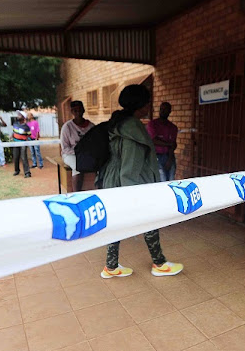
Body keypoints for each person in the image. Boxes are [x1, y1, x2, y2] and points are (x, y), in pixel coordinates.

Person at [99, 85, 183, 279]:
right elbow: (131, 164)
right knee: (150, 218)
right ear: (140, 104)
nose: (149, 105)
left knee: (116, 223)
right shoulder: (133, 129)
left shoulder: (119, 122)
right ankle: (159, 264)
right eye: (147, 102)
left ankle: (111, 266)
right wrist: (133, 195)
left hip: (113, 180)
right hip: (130, 182)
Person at [60, 100, 94, 191]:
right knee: (78, 166)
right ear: (72, 112)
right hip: (70, 155)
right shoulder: (67, 127)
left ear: (83, 110)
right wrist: (78, 151)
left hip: (87, 154)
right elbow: (65, 148)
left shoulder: (91, 126)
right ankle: (76, 193)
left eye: (80, 110)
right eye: (75, 110)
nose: (78, 112)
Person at [146, 101, 178, 181]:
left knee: (171, 180)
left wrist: (170, 159)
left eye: (166, 109)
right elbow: (154, 140)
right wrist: (169, 144)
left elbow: (173, 145)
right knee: (162, 179)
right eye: (161, 109)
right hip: (156, 156)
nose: (163, 111)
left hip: (169, 155)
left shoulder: (172, 127)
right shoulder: (152, 124)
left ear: (170, 111)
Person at [10, 111, 31, 178]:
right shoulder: (15, 124)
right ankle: (17, 170)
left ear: (23, 117)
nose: (18, 116)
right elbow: (13, 132)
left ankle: (27, 173)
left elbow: (29, 135)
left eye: (19, 115)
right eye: (18, 115)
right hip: (15, 143)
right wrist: (12, 136)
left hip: (23, 143)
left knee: (23, 157)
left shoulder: (26, 127)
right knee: (15, 157)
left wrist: (24, 139)